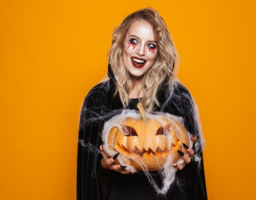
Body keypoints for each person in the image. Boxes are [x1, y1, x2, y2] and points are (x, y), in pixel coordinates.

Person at [77, 7, 207, 200]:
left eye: (151, 46)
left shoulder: (177, 97)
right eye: (134, 41)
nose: (141, 52)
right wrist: (104, 164)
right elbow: (86, 176)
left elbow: (195, 179)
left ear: (158, 52)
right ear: (121, 42)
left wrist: (188, 161)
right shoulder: (98, 100)